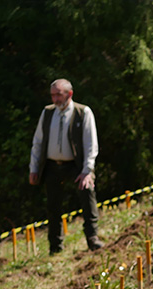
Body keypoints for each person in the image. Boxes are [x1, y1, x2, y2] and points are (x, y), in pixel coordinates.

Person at [29, 79, 104, 254]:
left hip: (76, 165)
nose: (55, 99)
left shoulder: (83, 112)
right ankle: (55, 246)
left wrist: (87, 171)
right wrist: (34, 168)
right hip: (52, 166)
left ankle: (92, 238)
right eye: (52, 95)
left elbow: (91, 144)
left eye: (58, 95)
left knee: (87, 194)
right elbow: (38, 142)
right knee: (53, 205)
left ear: (69, 94)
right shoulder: (47, 113)